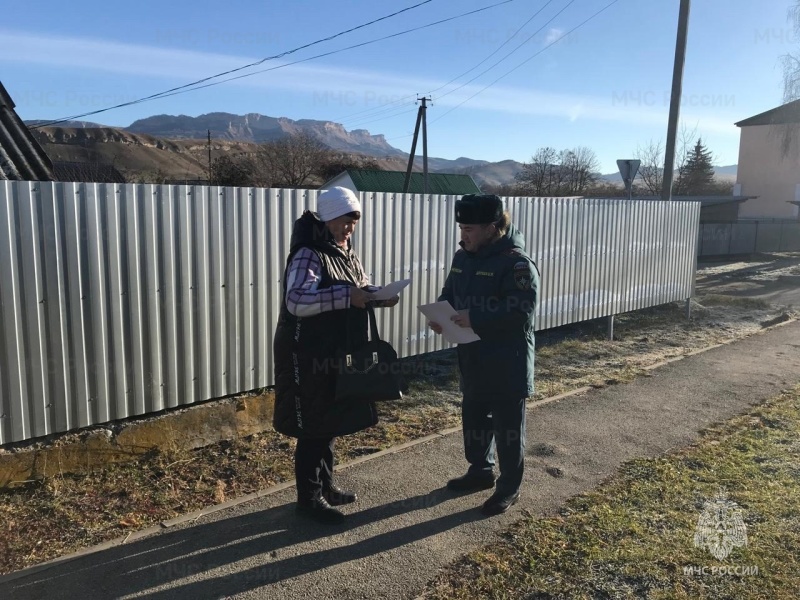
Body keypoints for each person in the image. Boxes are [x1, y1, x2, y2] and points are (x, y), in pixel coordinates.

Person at [273, 186, 398, 525]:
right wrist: (348, 296)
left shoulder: (343, 250)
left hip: (331, 350)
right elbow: (296, 300)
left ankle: (325, 488)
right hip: (305, 353)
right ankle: (308, 501)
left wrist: (378, 296)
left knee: (328, 421)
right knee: (313, 426)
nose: (350, 228)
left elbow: (359, 284)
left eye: (354, 222)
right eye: (346, 221)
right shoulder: (308, 254)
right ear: (328, 218)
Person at [429, 194, 539, 516]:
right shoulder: (463, 257)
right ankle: (480, 472)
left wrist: (474, 317)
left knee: (507, 428)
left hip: (508, 361)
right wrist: (441, 314)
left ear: (492, 228)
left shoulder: (516, 263)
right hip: (473, 357)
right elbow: (450, 292)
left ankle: (509, 488)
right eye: (461, 228)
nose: (463, 235)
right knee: (474, 419)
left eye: (470, 229)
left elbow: (521, 309)